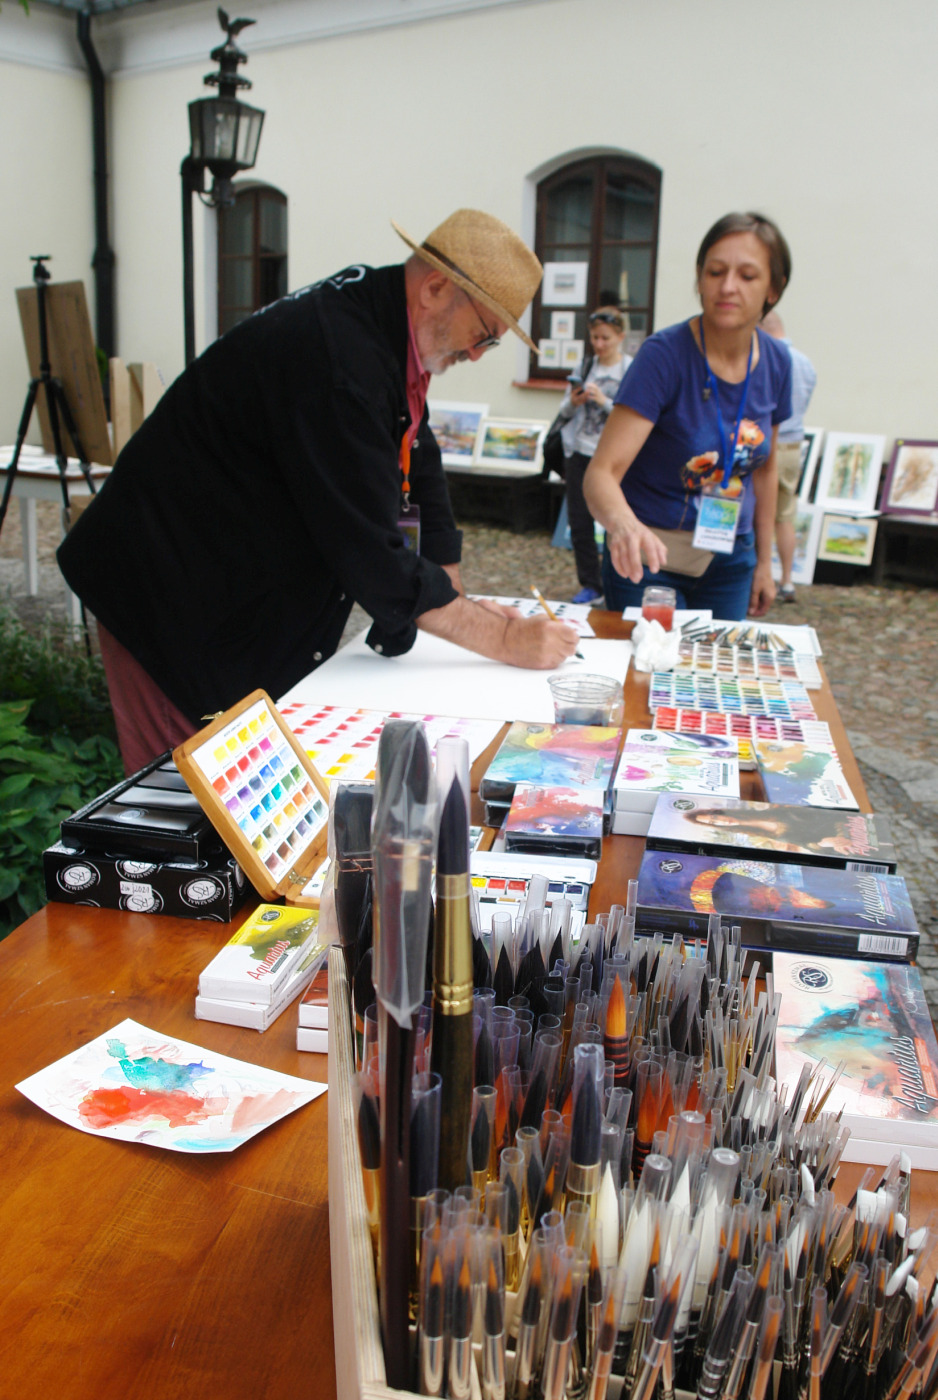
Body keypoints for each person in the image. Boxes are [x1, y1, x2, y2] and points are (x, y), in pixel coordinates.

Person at [58, 209, 579, 772]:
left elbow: (416, 449)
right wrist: (502, 641)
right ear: (435, 289)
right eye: (483, 335)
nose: (476, 354)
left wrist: (451, 589)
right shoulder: (340, 363)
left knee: (246, 782)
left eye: (491, 345)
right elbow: (369, 553)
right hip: (171, 595)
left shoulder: (385, 325)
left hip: (225, 576)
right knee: (199, 793)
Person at [583, 212, 793, 620]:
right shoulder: (663, 357)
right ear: (699, 278)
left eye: (747, 275)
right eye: (715, 272)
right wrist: (624, 526)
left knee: (715, 661)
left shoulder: (777, 363)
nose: (727, 286)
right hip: (650, 556)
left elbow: (766, 471)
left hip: (731, 559)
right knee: (652, 660)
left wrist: (765, 564)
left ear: (773, 288)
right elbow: (601, 473)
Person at [555, 307, 632, 604]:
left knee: (616, 521)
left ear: (620, 337)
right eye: (595, 338)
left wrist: (604, 401)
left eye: (606, 338)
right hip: (580, 452)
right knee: (580, 522)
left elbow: (632, 417)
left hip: (614, 458)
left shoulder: (630, 369)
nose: (599, 344)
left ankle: (617, 582)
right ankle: (591, 584)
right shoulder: (586, 366)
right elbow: (563, 410)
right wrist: (574, 402)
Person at [760, 310, 817, 601]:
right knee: (785, 516)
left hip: (770, 444)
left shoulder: (767, 359)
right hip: (794, 445)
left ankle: (760, 576)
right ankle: (787, 581)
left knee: (760, 513)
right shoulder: (805, 362)